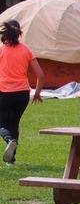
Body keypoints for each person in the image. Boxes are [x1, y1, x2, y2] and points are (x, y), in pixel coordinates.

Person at [0, 19, 44, 165]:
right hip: (22, 94)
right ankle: (10, 160)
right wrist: (37, 93)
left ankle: (10, 140)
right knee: (14, 124)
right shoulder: (26, 50)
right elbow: (41, 75)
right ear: (19, 33)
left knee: (3, 123)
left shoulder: (1, 49)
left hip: (4, 92)